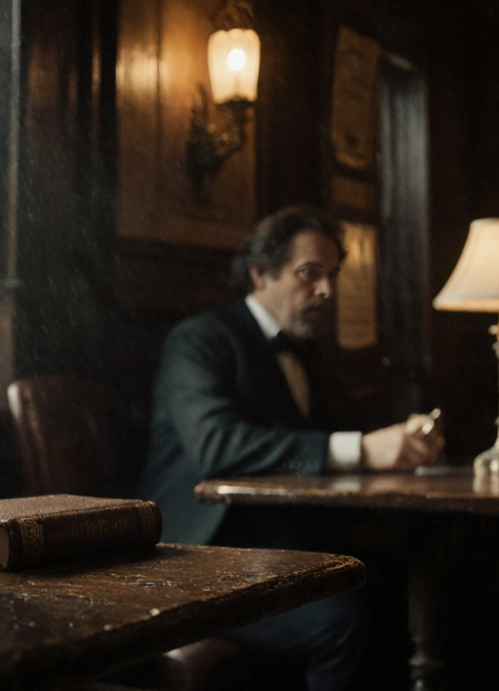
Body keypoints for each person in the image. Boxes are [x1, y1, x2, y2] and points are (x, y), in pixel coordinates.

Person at [137, 206, 443, 691]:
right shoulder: (198, 341)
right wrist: (362, 450)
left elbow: (329, 437)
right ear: (261, 274)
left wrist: (402, 443)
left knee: (409, 584)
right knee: (341, 618)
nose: (328, 290)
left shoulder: (310, 351)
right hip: (196, 563)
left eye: (333, 275)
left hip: (280, 552)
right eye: (310, 274)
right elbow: (218, 446)